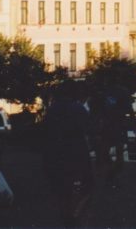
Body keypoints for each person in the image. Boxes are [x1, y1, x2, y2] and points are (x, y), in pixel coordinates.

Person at [43, 82, 94, 227]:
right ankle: (74, 214)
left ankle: (66, 215)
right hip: (76, 153)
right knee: (86, 186)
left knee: (62, 189)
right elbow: (88, 128)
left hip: (55, 154)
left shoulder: (53, 109)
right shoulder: (78, 108)